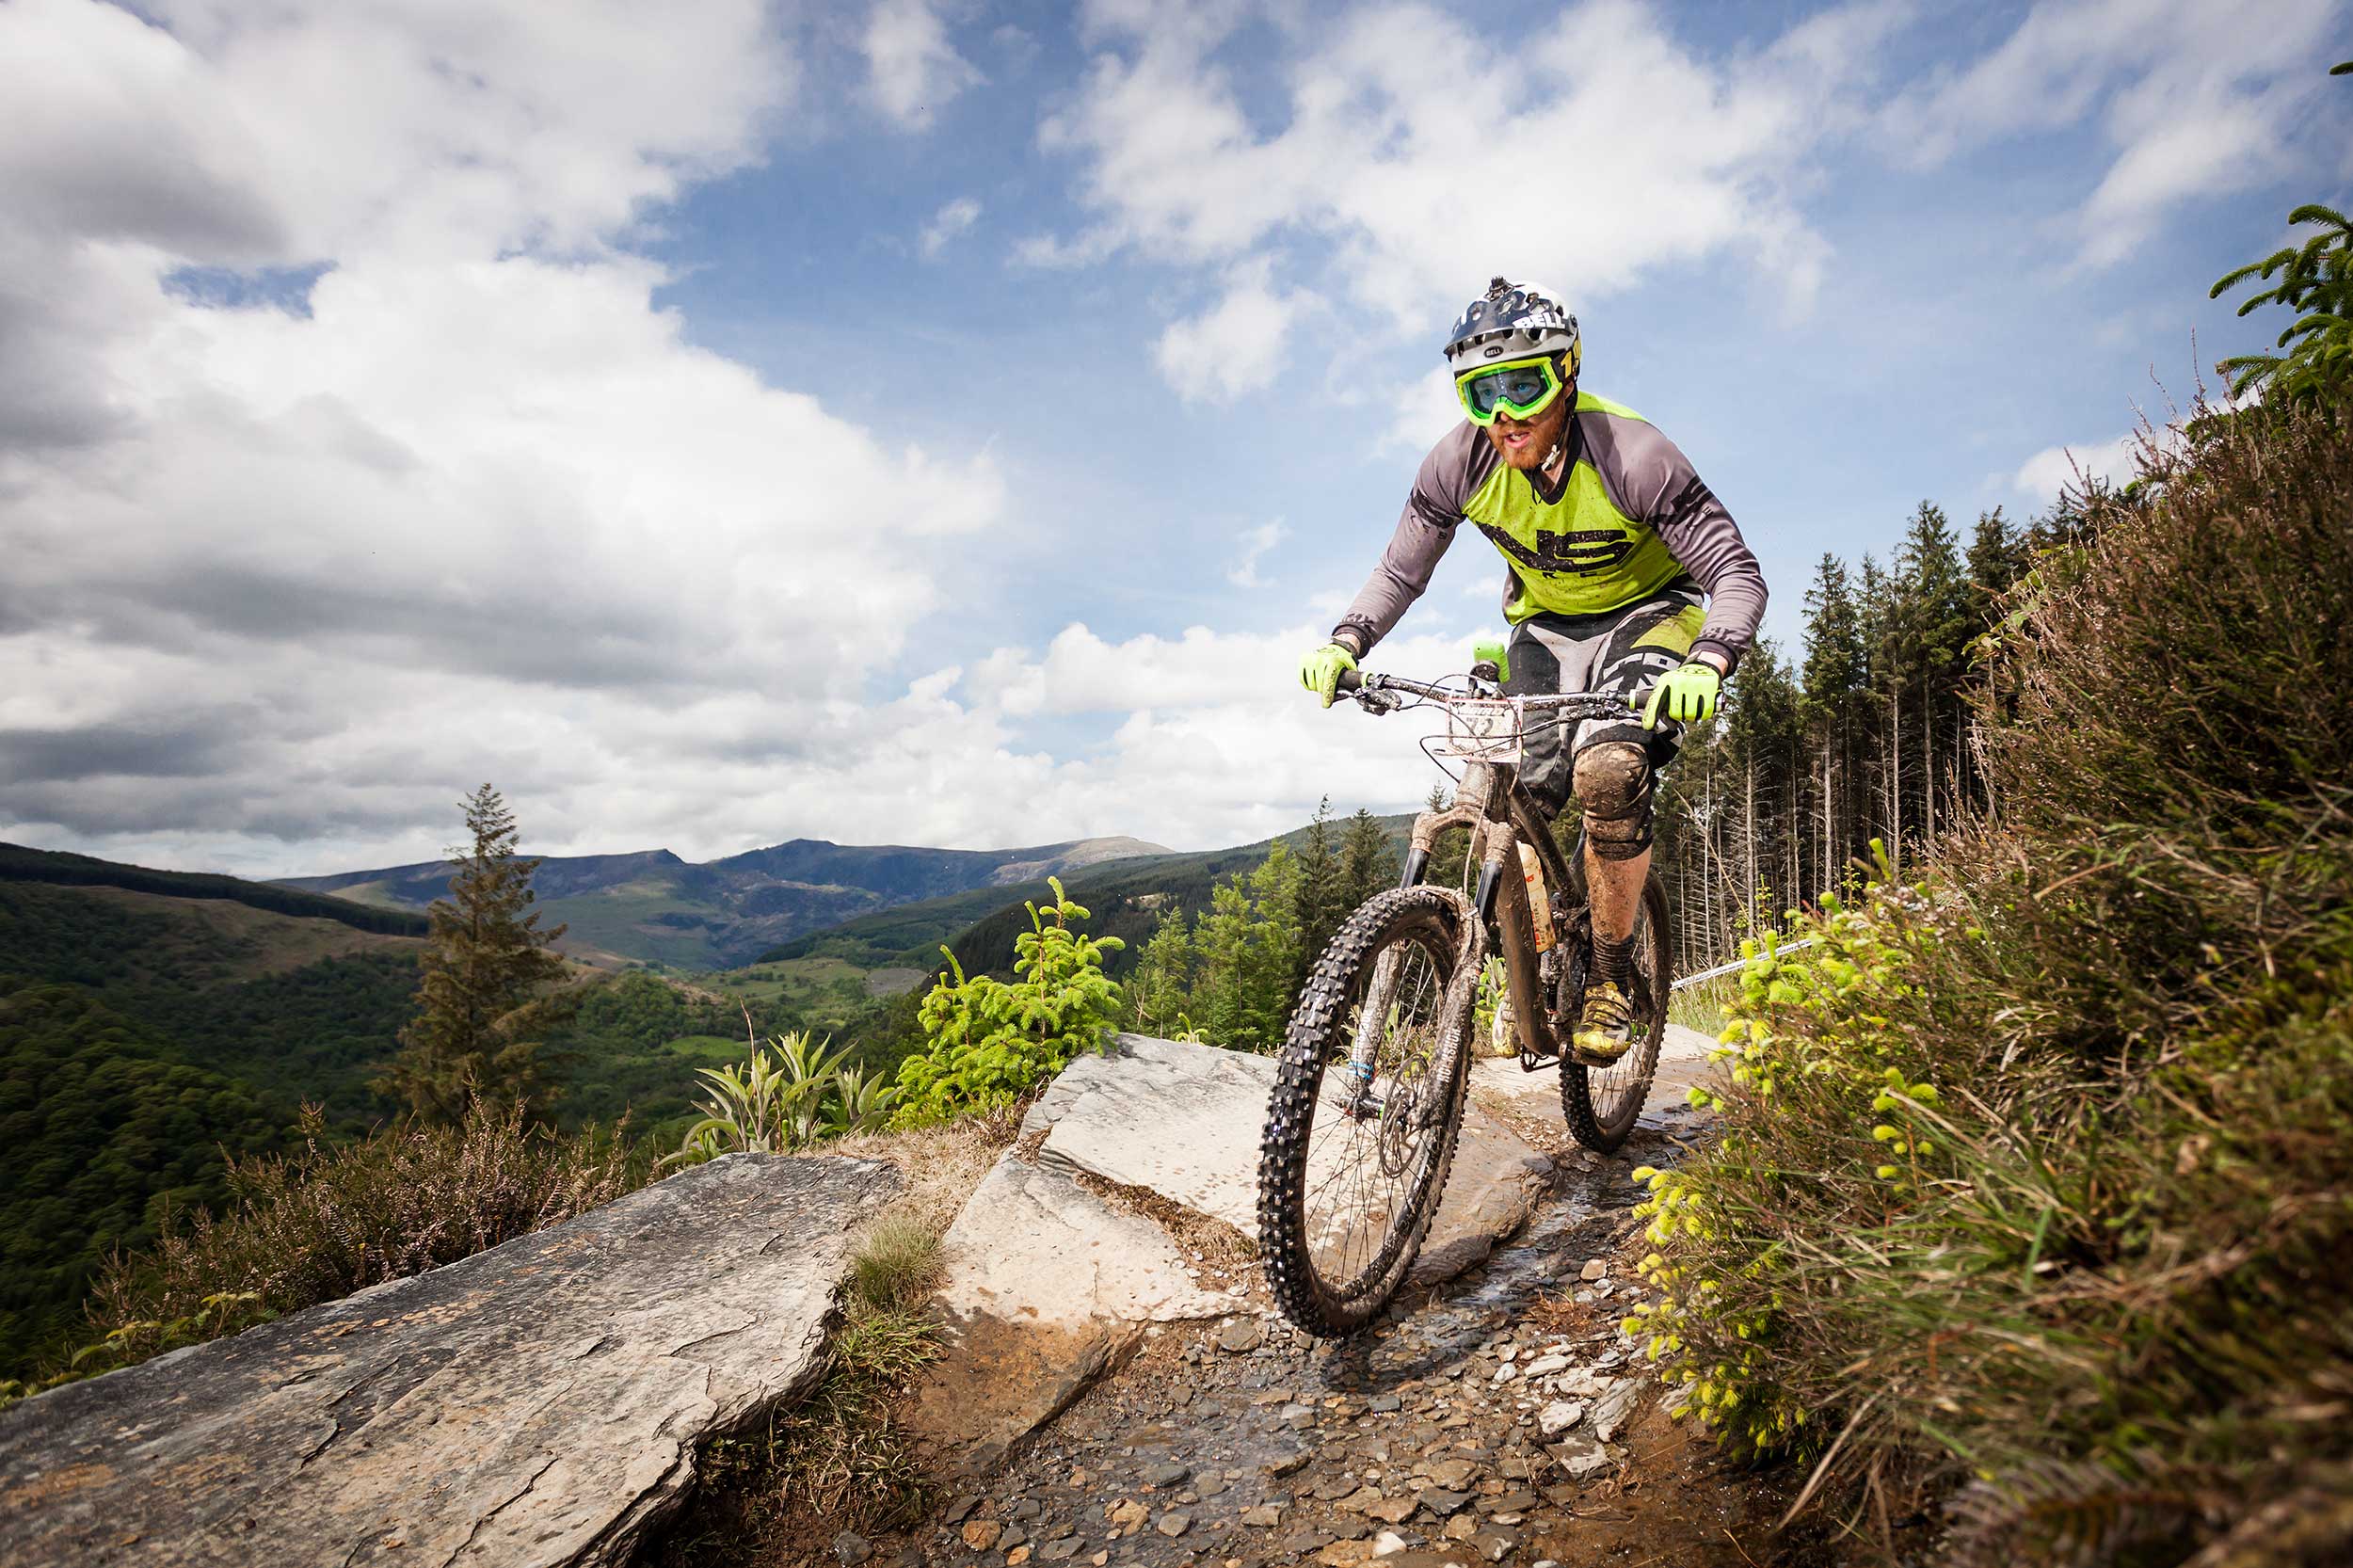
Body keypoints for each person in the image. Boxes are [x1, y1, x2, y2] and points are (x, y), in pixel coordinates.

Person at [1299, 278, 1767, 1063]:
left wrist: (1710, 659)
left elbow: (1736, 573)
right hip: (1545, 629)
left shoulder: (1634, 456)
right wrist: (1347, 641)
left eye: (1524, 385)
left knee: (1609, 773)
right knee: (1511, 790)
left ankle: (1613, 976)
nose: (1504, 414)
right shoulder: (1458, 463)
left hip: (1652, 611)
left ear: (1568, 374)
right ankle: (1539, 963)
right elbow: (1400, 570)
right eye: (1482, 394)